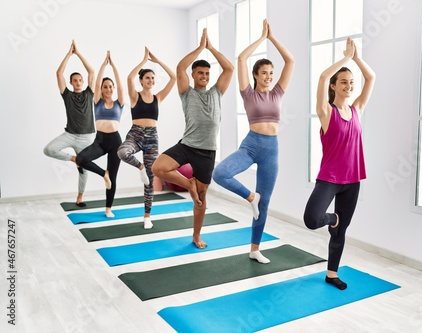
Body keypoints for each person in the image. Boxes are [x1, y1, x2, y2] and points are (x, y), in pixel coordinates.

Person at [212, 19, 294, 264]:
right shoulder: (248, 93)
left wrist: (272, 38)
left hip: (271, 149)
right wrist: (260, 39)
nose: (269, 77)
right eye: (264, 73)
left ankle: (255, 249)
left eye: (271, 73)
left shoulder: (278, 92)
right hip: (251, 145)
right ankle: (250, 197)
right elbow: (241, 60)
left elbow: (290, 61)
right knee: (220, 173)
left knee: (265, 202)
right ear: (256, 76)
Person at [303, 37, 376, 289]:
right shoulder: (326, 112)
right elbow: (322, 78)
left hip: (353, 180)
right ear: (334, 87)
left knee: (340, 231)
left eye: (351, 82)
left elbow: (372, 78)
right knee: (312, 219)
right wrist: (345, 58)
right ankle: (332, 218)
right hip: (330, 178)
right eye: (343, 82)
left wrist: (356, 58)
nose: (349, 85)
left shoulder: (357, 109)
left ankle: (331, 273)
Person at [152, 28, 234, 248]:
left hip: (207, 151)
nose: (204, 77)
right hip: (187, 145)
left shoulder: (217, 92)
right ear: (194, 75)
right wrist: (200, 47)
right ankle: (188, 183)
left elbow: (229, 68)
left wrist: (211, 48)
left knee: (201, 198)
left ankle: (196, 235)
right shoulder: (186, 92)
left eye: (207, 74)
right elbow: (180, 68)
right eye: (200, 73)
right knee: (158, 168)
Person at [117, 47, 176, 229]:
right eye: (147, 77)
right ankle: (140, 166)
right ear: (141, 81)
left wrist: (157, 62)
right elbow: (128, 78)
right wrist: (143, 61)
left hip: (152, 137)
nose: (151, 80)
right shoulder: (135, 96)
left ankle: (147, 215)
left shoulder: (158, 98)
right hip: (135, 133)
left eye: (152, 77)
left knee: (151, 177)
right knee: (122, 152)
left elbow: (173, 78)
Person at [43, 40, 95, 207]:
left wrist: (78, 54)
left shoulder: (89, 93)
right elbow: (59, 74)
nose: (78, 82)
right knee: (49, 149)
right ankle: (74, 159)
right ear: (72, 83)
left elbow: (92, 71)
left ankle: (80, 197)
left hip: (86, 137)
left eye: (80, 80)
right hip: (70, 134)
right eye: (75, 80)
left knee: (85, 169)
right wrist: (68, 54)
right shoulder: (67, 95)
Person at [75, 51, 124, 218]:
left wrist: (114, 66)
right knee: (81, 159)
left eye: (110, 87)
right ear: (101, 90)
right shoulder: (97, 102)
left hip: (115, 142)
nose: (108, 89)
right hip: (100, 140)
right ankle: (104, 174)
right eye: (105, 87)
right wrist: (104, 64)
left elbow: (120, 83)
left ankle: (108, 208)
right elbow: (95, 84)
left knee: (114, 177)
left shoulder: (119, 102)